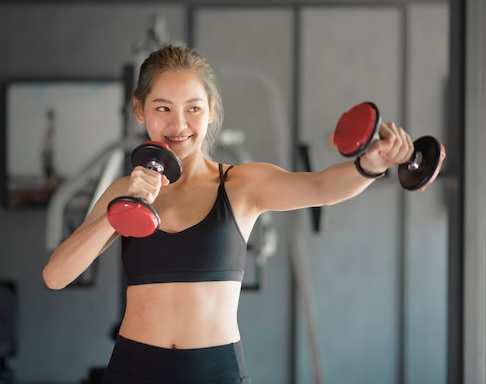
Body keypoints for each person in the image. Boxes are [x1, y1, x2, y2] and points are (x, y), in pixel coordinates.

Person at [42, 45, 416, 384]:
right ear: (140, 110)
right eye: (162, 108)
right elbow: (56, 276)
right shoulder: (123, 190)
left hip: (216, 372)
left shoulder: (241, 185)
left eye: (193, 108)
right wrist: (122, 210)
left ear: (211, 110)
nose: (178, 125)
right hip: (133, 369)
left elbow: (321, 187)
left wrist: (370, 164)